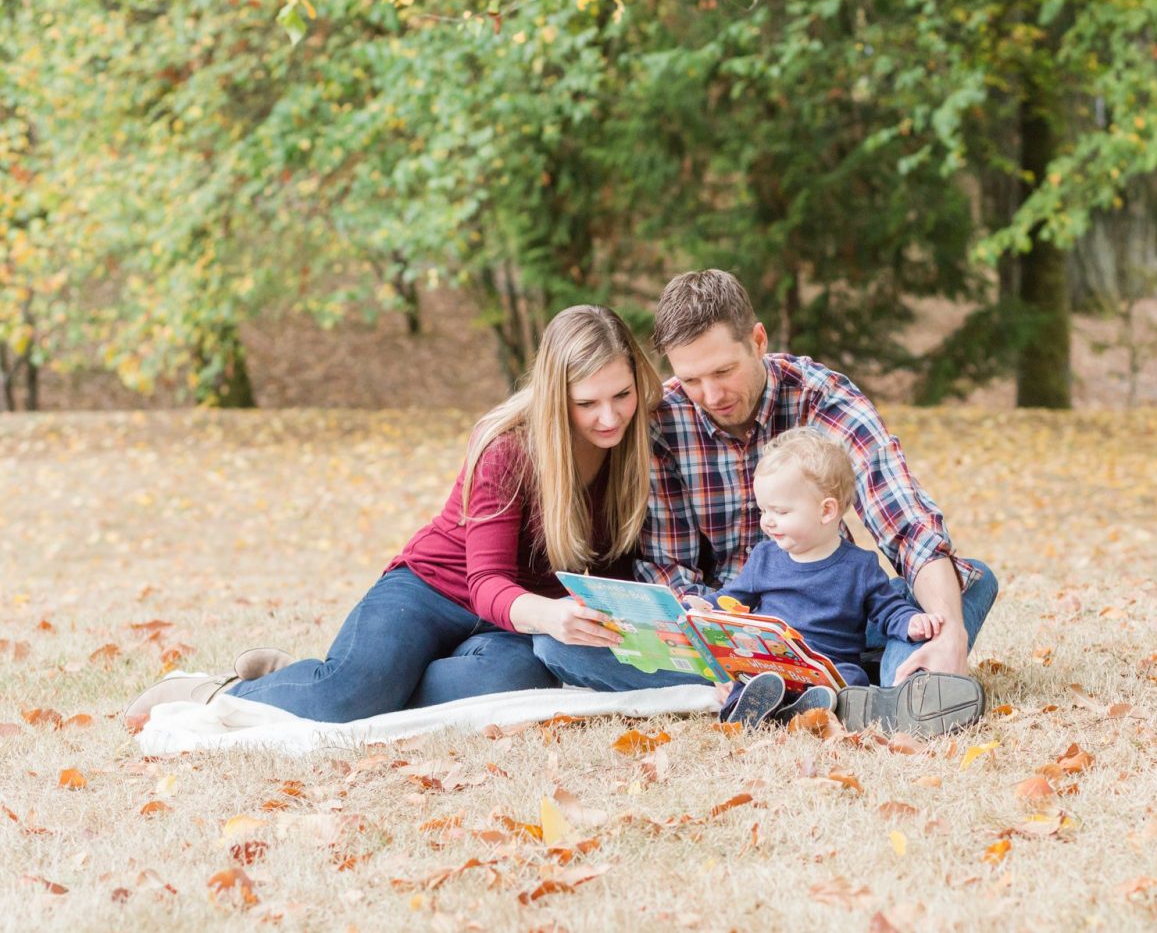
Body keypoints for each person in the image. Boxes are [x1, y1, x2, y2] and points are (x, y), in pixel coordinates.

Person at [124, 305, 659, 727]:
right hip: (430, 593)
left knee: (520, 678)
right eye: (586, 403)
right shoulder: (507, 449)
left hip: (510, 627)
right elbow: (484, 582)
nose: (609, 416)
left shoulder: (641, 446)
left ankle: (357, 680)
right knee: (348, 698)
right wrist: (550, 616)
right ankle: (226, 690)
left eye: (621, 395)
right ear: (552, 396)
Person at [534, 270, 998, 734]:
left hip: (833, 613)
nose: (711, 395)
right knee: (557, 645)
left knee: (967, 583)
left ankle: (897, 685)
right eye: (691, 378)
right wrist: (726, 648)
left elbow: (906, 525)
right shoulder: (662, 422)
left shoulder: (821, 398)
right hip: (726, 630)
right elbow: (669, 570)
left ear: (758, 341)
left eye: (723, 371)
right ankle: (868, 692)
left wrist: (951, 627)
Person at [716, 428, 953, 730]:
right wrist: (704, 607)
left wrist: (910, 622)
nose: (767, 521)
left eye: (780, 511)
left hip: (827, 666)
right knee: (750, 678)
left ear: (826, 510)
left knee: (854, 680)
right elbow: (731, 599)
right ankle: (746, 712)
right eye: (763, 510)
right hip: (772, 662)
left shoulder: (859, 566)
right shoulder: (765, 557)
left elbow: (887, 608)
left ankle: (808, 710)